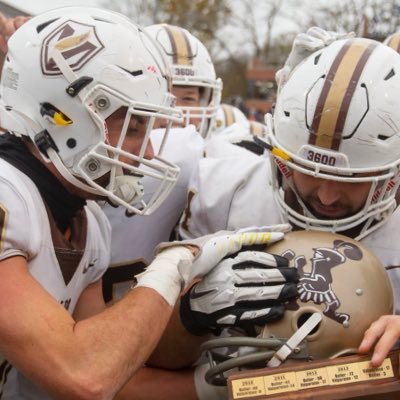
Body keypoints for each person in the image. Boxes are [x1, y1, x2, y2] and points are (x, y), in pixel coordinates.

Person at [0, 7, 287, 399]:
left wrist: (227, 388)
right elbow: (84, 373)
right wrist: (172, 268)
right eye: (135, 127)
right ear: (63, 117)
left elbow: (114, 370)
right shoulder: (8, 194)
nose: (149, 151)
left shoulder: (90, 222)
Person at [177, 32, 400, 397]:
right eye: (308, 169)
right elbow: (150, 356)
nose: (326, 195)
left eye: (353, 179)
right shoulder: (223, 194)